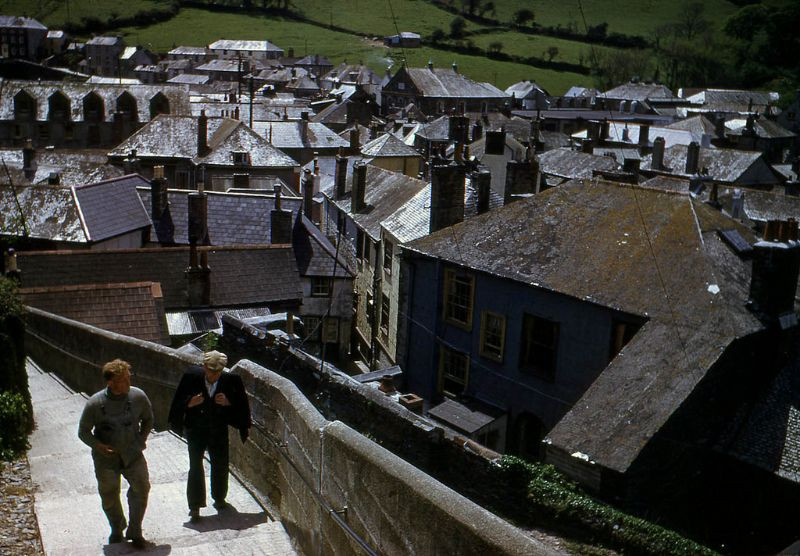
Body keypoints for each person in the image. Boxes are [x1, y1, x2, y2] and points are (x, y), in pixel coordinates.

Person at [78, 359, 153, 549]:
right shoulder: (95, 403)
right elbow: (83, 432)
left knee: (142, 488)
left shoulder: (138, 397)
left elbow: (148, 419)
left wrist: (141, 440)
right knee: (109, 493)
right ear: (110, 382)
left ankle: (135, 531)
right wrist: (98, 446)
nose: (128, 383)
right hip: (106, 459)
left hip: (132, 454)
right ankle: (117, 527)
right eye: (123, 380)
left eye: (129, 378)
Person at [168, 350, 251, 522]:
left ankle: (219, 497)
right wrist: (189, 403)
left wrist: (229, 403)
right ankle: (195, 505)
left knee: (220, 463)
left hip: (218, 430)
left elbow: (242, 406)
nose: (213, 375)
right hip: (196, 430)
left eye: (217, 371)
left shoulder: (231, 380)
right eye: (210, 370)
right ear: (204, 367)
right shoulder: (191, 376)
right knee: (195, 466)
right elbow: (177, 401)